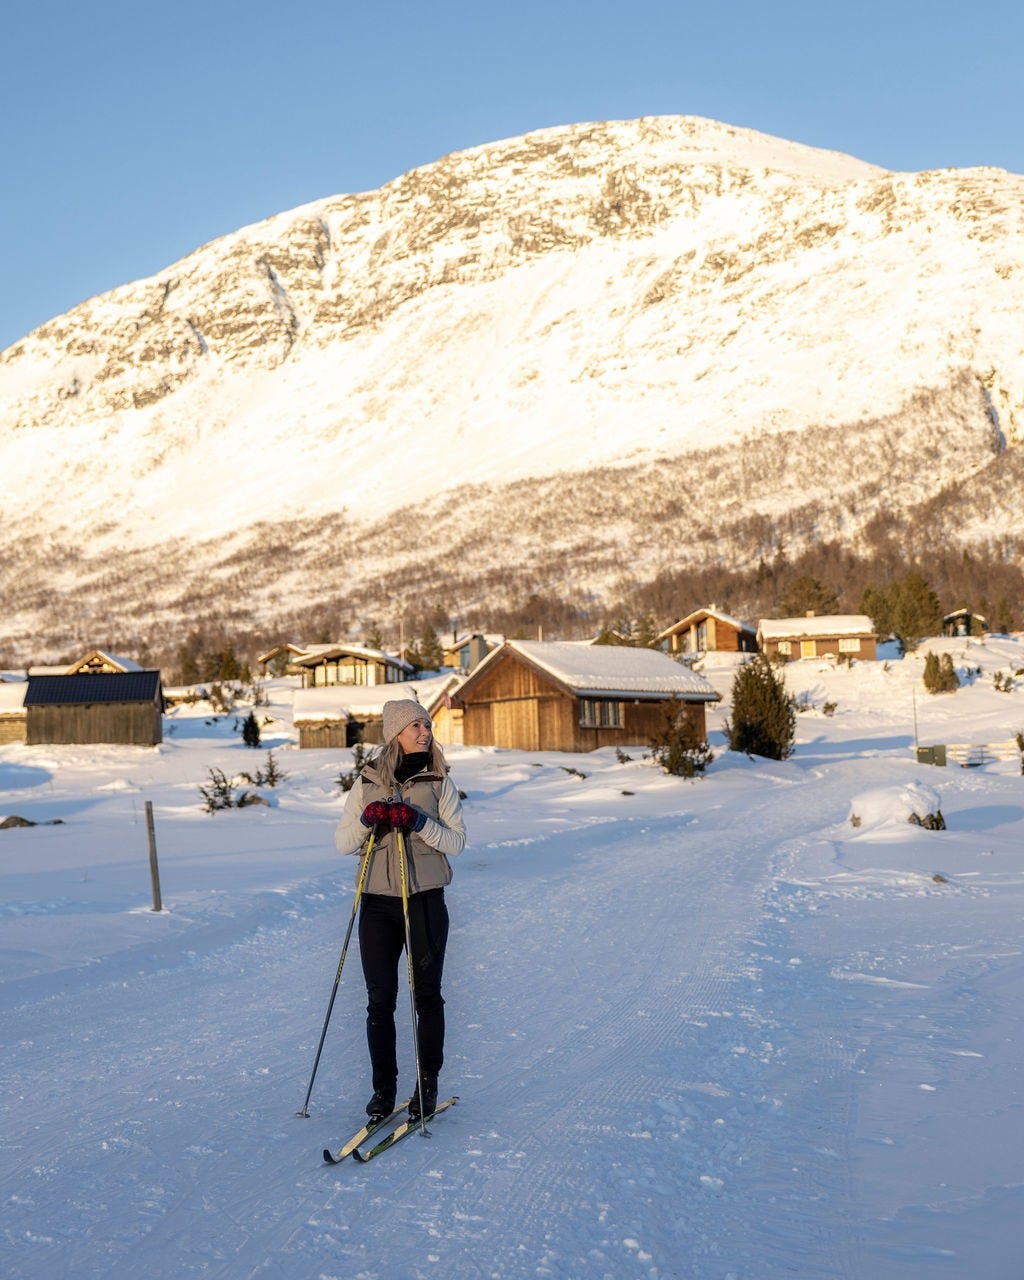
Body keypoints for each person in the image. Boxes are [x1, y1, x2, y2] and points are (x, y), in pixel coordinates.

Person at [334, 698, 466, 1122]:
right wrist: (370, 820)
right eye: (415, 726)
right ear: (395, 733)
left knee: (426, 997)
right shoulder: (367, 779)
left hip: (425, 899)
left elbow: (458, 842)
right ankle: (383, 1092)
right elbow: (342, 842)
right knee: (379, 1001)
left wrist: (419, 822)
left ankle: (426, 1086)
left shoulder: (439, 779)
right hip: (377, 904)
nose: (425, 731)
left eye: (426, 724)